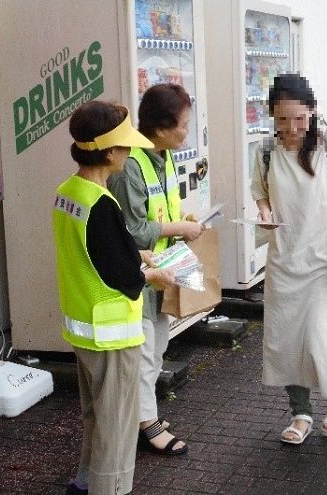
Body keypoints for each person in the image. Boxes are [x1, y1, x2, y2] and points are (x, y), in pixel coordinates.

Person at [53, 100, 175, 495]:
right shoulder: (103, 204)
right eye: (123, 147)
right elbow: (121, 275)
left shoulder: (69, 191)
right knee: (118, 426)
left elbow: (90, 252)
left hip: (83, 328)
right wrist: (153, 273)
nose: (128, 153)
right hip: (112, 334)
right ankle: (110, 489)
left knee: (96, 416)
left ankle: (84, 482)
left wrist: (135, 253)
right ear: (108, 152)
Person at [250, 73, 327, 444]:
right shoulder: (266, 150)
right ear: (272, 116)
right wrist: (265, 211)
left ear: (313, 111)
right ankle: (300, 412)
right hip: (284, 260)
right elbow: (261, 193)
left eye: (300, 118)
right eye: (283, 120)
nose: (292, 127)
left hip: (324, 261)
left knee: (325, 335)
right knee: (287, 340)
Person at [108, 83, 204, 455]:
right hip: (137, 275)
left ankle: (142, 416)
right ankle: (146, 423)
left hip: (161, 271)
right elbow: (130, 230)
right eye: (183, 125)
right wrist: (181, 228)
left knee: (157, 345)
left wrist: (185, 223)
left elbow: (157, 214)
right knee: (146, 352)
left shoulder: (160, 157)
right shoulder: (131, 166)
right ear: (161, 128)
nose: (187, 132)